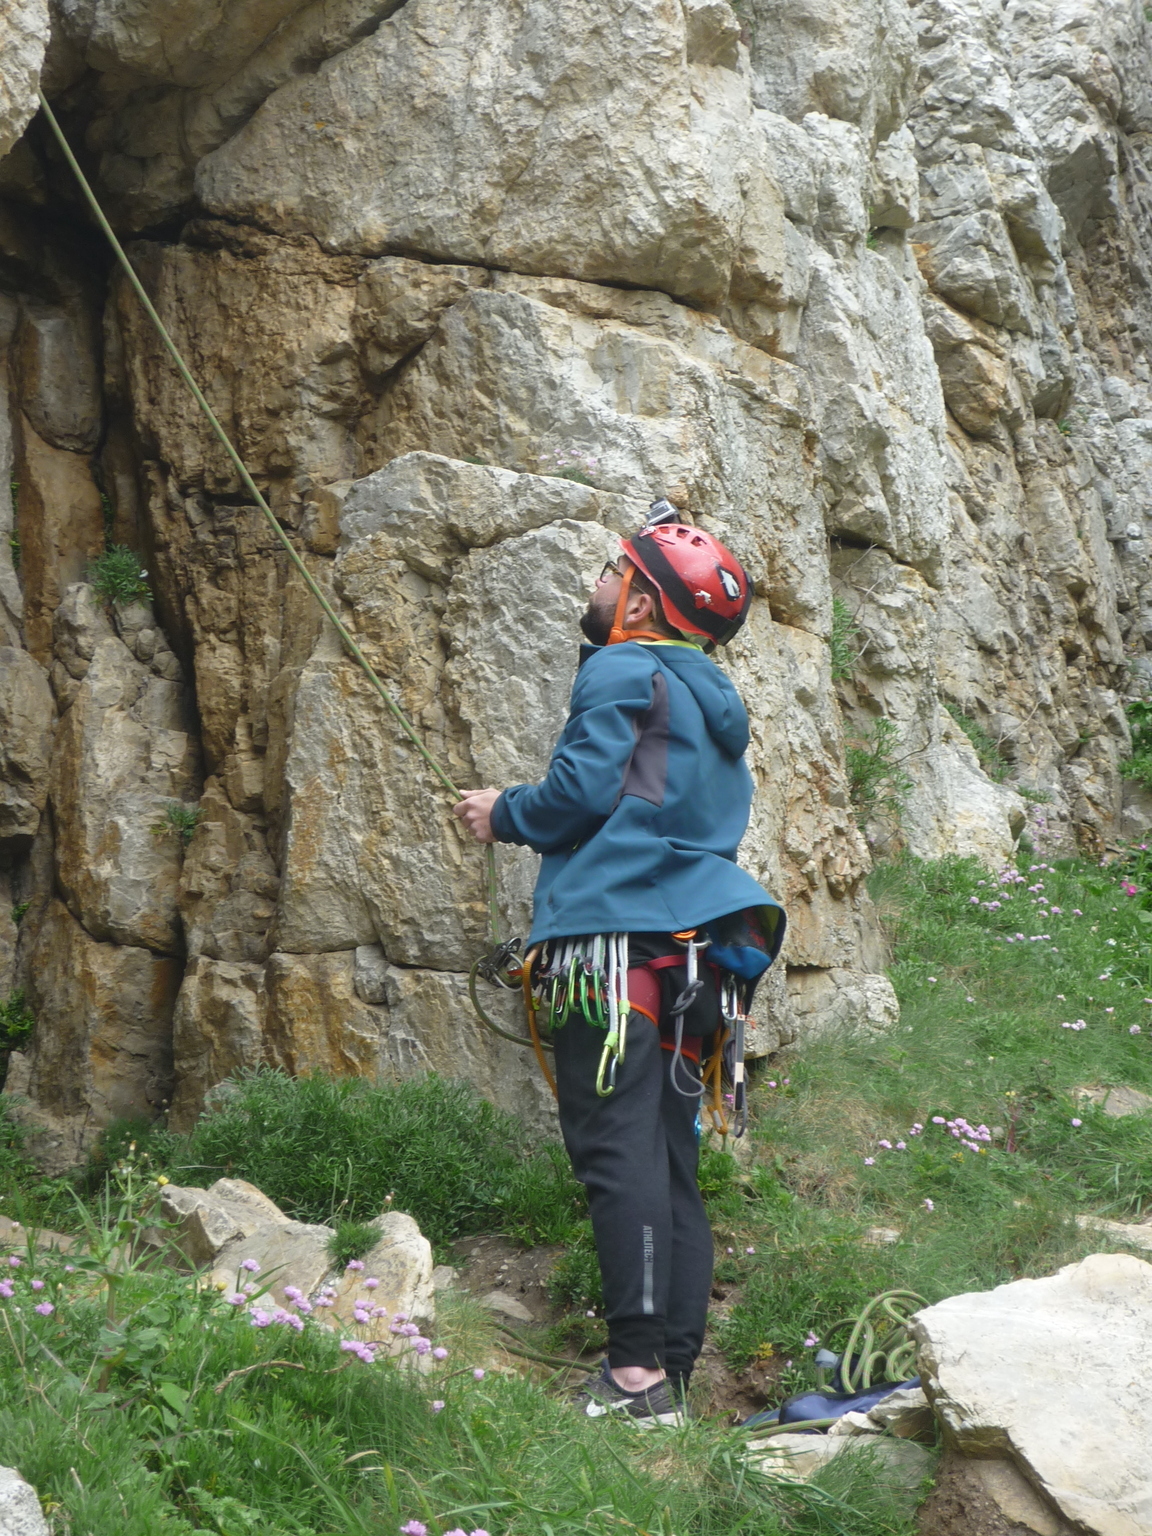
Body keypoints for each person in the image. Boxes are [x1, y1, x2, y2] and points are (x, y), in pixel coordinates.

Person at [454, 505, 784, 1425]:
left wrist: (502, 812)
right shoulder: (710, 702)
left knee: (616, 1154)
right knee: (667, 1159)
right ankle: (666, 1378)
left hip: (616, 948)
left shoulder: (621, 666)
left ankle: (634, 1377)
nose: (600, 581)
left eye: (613, 570)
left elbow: (579, 794)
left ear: (641, 601)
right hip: (696, 963)